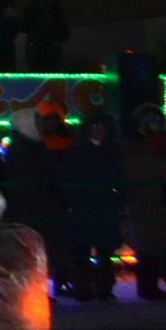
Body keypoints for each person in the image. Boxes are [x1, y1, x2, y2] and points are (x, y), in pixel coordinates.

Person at [61, 112, 125, 301]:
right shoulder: (78, 153)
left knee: (105, 252)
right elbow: (68, 180)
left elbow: (121, 180)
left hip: (104, 208)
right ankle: (83, 289)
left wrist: (117, 200)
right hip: (85, 208)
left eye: (101, 128)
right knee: (82, 252)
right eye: (94, 128)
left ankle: (104, 288)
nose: (98, 132)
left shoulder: (112, 152)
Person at [4, 110, 69, 296]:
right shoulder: (24, 150)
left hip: (38, 209)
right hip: (32, 210)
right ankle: (32, 293)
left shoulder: (33, 146)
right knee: (32, 254)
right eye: (37, 121)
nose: (41, 125)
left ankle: (37, 291)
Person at [122, 108, 166, 300]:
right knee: (149, 247)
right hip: (146, 200)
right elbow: (159, 170)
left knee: (155, 246)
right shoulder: (140, 147)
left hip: (154, 200)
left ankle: (151, 286)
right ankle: (148, 288)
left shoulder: (154, 145)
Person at [22, 0, 70, 72]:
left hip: (49, 49)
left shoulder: (55, 10)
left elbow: (64, 32)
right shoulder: (35, 9)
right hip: (39, 47)